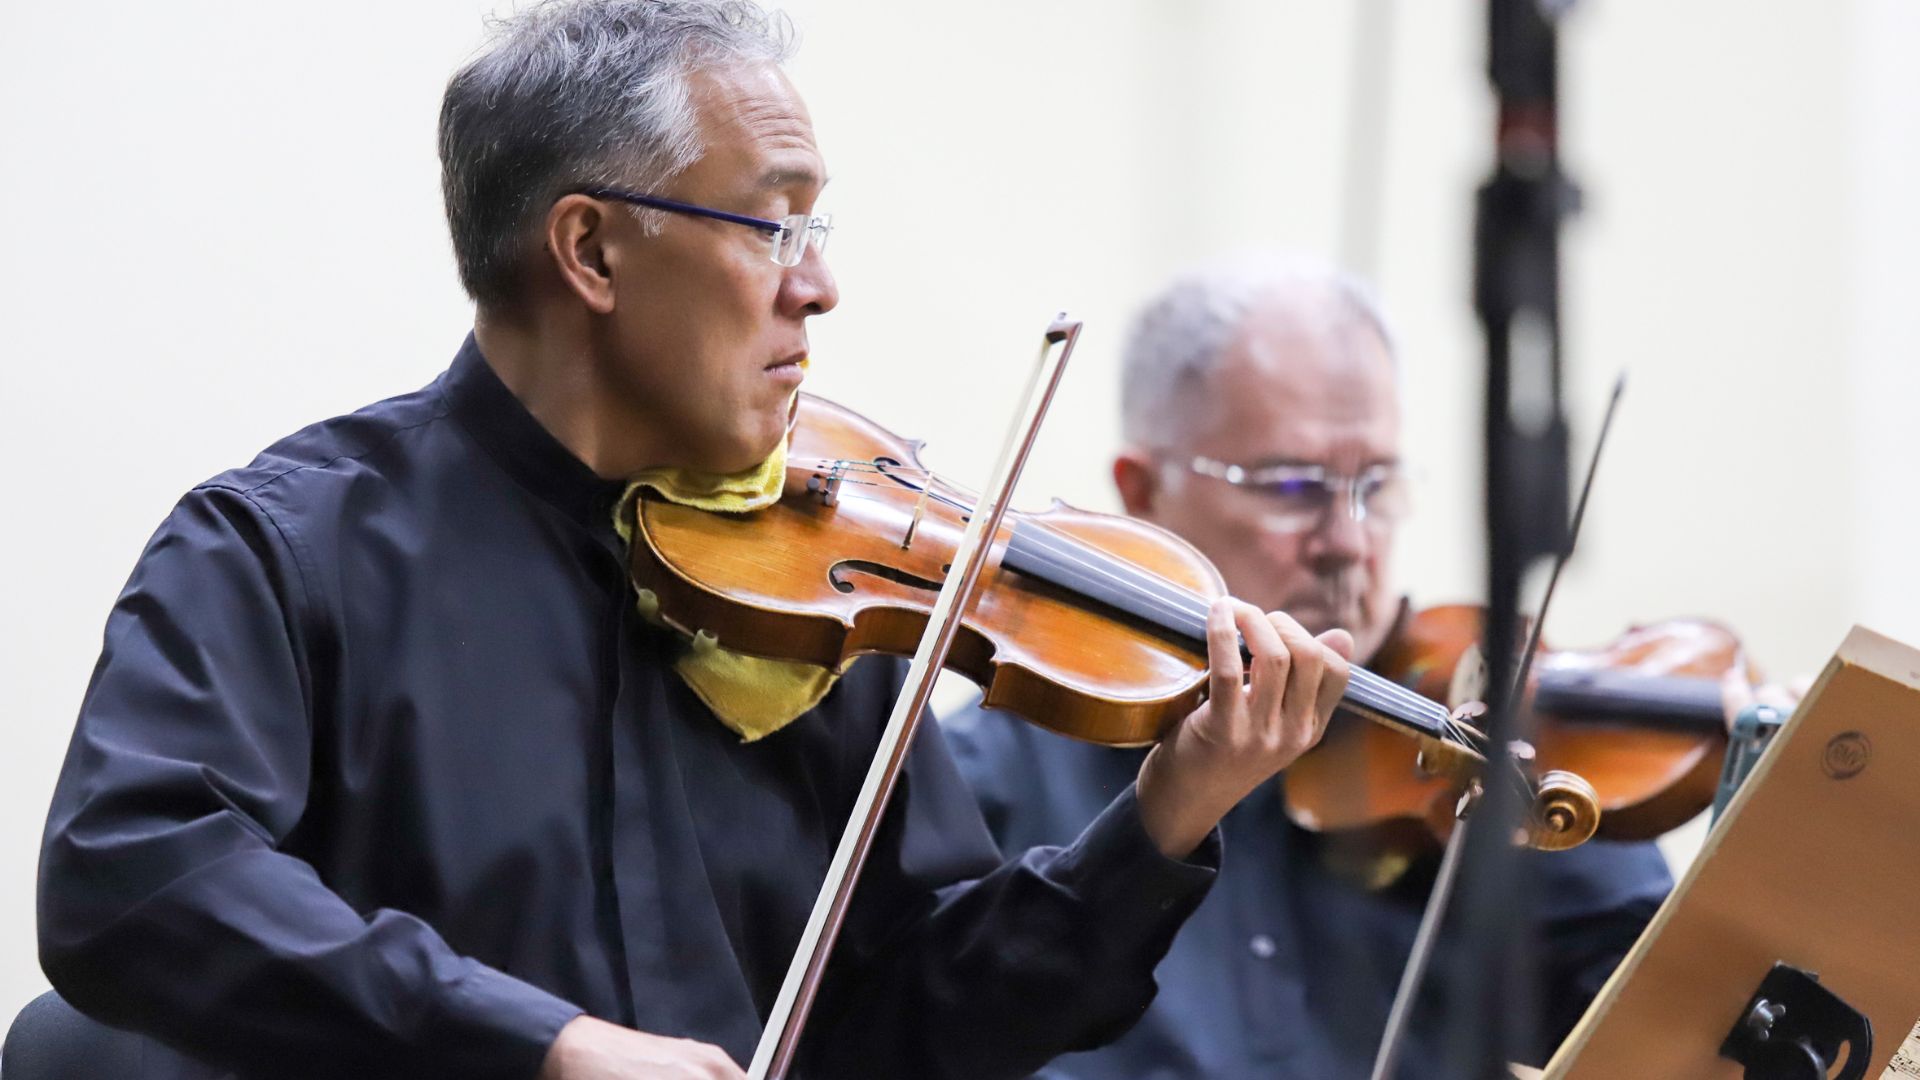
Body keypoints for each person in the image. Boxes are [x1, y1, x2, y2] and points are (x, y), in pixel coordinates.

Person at [30, 7, 1357, 1080]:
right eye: (774, 222)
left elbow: (913, 1028)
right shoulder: (288, 549)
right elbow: (133, 872)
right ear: (594, 250)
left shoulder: (818, 596)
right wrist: (540, 1045)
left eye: (816, 229)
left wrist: (1165, 815)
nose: (819, 283)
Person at [942, 255, 1675, 1079]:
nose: (1349, 543)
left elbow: (1682, 1021)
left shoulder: (1485, 754)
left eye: (1377, 484)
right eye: (1292, 486)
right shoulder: (984, 782)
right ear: (1141, 491)